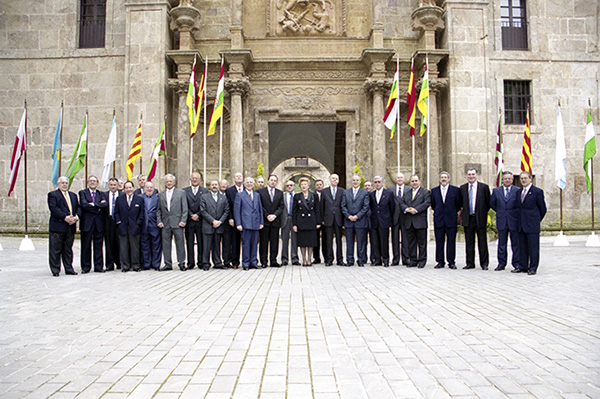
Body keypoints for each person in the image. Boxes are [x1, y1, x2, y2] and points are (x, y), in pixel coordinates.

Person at [514, 171, 547, 275]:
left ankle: (533, 267)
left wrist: (536, 220)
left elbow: (543, 209)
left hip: (532, 225)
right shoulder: (518, 192)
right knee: (522, 247)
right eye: (521, 178)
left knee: (533, 248)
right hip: (521, 225)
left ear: (530, 179)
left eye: (525, 178)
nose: (523, 180)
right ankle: (523, 266)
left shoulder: (537, 192)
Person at [47, 176, 80, 276]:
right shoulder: (53, 195)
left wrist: (76, 217)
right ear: (58, 184)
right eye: (63, 183)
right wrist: (65, 217)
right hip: (58, 226)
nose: (65, 185)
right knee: (55, 250)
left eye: (66, 183)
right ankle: (55, 270)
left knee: (68, 249)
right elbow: (54, 208)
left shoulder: (73, 195)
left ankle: (69, 268)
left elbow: (78, 208)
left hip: (70, 227)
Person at [459, 168, 491, 270]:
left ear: (476, 175)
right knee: (469, 242)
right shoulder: (463, 188)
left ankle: (484, 263)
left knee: (482, 242)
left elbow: (488, 203)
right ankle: (470, 263)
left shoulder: (484, 187)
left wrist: (482, 213)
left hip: (480, 218)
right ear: (466, 176)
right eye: (469, 174)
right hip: (468, 218)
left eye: (473, 174)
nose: (471, 176)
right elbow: (460, 203)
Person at [490, 171, 520, 271]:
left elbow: (519, 205)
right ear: (502, 180)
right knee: (502, 244)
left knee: (515, 244)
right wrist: (501, 212)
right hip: (502, 220)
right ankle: (501, 263)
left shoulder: (517, 190)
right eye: (505, 178)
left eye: (509, 179)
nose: (507, 180)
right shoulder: (496, 191)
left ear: (512, 180)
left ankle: (516, 263)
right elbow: (493, 204)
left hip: (514, 220)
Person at [430, 171, 461, 269]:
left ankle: (451, 261)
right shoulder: (434, 191)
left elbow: (458, 204)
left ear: (449, 179)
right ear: (439, 179)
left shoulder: (455, 190)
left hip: (451, 219)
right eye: (442, 177)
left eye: (445, 177)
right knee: (439, 241)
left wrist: (451, 212)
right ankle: (440, 261)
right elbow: (433, 205)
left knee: (451, 241)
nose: (443, 179)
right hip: (439, 219)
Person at [157, 174, 188, 271]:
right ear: (165, 183)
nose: (169, 183)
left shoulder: (181, 193)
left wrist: (183, 220)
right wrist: (159, 221)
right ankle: (167, 263)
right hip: (165, 223)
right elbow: (158, 210)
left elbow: (185, 208)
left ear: (174, 182)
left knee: (180, 243)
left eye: (170, 181)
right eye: (167, 181)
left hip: (178, 222)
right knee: (166, 244)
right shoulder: (161, 194)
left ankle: (181, 263)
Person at [399, 174, 431, 268]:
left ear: (419, 181)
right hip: (409, 221)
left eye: (416, 181)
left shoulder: (425, 192)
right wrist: (407, 209)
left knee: (422, 243)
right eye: (412, 181)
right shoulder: (407, 192)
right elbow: (401, 202)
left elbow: (427, 203)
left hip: (420, 221)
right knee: (411, 243)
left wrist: (416, 210)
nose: (414, 183)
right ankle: (413, 260)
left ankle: (422, 261)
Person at [78, 175, 108, 273]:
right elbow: (84, 205)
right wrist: (98, 207)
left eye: (94, 181)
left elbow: (105, 205)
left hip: (99, 224)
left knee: (98, 245)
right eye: (90, 181)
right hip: (87, 223)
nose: (92, 182)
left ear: (97, 183)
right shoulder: (82, 193)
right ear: (88, 182)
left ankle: (99, 266)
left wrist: (94, 205)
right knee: (86, 246)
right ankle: (86, 267)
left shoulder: (101, 194)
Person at [113, 181, 144, 272]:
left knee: (135, 247)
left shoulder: (139, 199)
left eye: (130, 187)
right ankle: (125, 266)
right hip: (123, 227)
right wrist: (119, 222)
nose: (129, 189)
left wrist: (138, 223)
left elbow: (141, 213)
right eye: (126, 188)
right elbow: (116, 212)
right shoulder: (119, 199)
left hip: (135, 227)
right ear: (124, 189)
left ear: (133, 188)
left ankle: (135, 265)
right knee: (123, 247)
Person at [234, 177, 264, 270]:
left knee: (254, 244)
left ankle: (253, 262)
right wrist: (238, 223)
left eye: (251, 182)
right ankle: (246, 263)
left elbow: (260, 210)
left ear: (253, 183)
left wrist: (261, 222)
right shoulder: (240, 195)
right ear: (244, 183)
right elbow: (237, 210)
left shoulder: (256, 195)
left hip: (255, 223)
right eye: (247, 182)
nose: (249, 184)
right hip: (245, 224)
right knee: (246, 244)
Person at [199, 180, 230, 271]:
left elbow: (226, 211)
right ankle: (205, 263)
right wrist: (213, 221)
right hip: (208, 225)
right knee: (206, 246)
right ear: (210, 186)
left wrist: (220, 221)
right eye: (212, 185)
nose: (214, 186)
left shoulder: (223, 198)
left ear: (218, 186)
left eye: (216, 185)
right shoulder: (204, 197)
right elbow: (203, 211)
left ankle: (217, 262)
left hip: (219, 225)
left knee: (217, 245)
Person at [341, 174, 370, 266]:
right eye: (353, 180)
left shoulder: (364, 193)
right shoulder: (346, 192)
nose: (355, 182)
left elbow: (366, 207)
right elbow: (343, 206)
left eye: (357, 180)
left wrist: (357, 216)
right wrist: (348, 216)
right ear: (351, 181)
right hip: (349, 221)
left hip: (360, 221)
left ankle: (361, 260)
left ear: (360, 181)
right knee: (349, 242)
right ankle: (350, 260)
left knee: (361, 242)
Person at [293, 177, 321, 266]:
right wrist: (294, 224)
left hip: (311, 221)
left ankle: (309, 259)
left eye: (305, 184)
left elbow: (317, 209)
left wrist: (318, 222)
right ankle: (304, 259)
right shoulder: (297, 196)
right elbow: (294, 211)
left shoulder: (314, 195)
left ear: (308, 185)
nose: (303, 186)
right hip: (301, 221)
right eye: (301, 185)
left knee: (310, 242)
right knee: (302, 242)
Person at [257, 174, 284, 267]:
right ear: (268, 181)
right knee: (263, 242)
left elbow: (281, 207)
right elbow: (260, 205)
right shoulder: (260, 192)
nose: (273, 182)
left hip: (275, 221)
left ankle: (273, 260)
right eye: (271, 180)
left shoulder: (280, 193)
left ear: (276, 182)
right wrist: (267, 215)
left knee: (274, 242)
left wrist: (274, 215)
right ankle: (264, 261)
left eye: (275, 180)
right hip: (265, 221)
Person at [183, 172, 209, 270]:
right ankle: (190, 262)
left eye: (196, 178)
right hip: (189, 221)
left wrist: (198, 214)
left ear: (200, 180)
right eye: (193, 178)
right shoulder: (184, 191)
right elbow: (184, 205)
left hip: (200, 220)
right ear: (190, 179)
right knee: (189, 242)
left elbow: (205, 205)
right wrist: (191, 215)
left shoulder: (205, 191)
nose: (194, 180)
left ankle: (201, 262)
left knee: (201, 242)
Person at [369, 176, 395, 267]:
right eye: (375, 182)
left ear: (382, 183)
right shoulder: (371, 194)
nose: (377, 184)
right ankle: (377, 260)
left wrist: (389, 219)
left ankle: (386, 259)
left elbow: (392, 208)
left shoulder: (388, 193)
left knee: (384, 242)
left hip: (384, 221)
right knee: (375, 242)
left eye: (379, 182)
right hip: (374, 221)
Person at [320, 173, 344, 266]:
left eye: (336, 179)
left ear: (338, 180)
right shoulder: (324, 191)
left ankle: (340, 259)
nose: (334, 180)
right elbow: (321, 206)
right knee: (328, 240)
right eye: (333, 178)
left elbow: (343, 205)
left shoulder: (342, 191)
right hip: (328, 219)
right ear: (330, 180)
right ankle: (329, 259)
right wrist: (322, 219)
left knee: (339, 240)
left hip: (338, 219)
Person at [140, 181, 162, 271]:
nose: (149, 189)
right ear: (144, 188)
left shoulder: (158, 198)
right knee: (145, 246)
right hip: (143, 225)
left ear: (153, 189)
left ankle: (156, 264)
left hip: (154, 225)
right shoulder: (139, 198)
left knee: (156, 246)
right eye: (147, 187)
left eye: (151, 187)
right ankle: (146, 264)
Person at [389, 173, 409, 266]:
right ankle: (396, 258)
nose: (400, 179)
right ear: (395, 179)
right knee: (395, 239)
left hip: (406, 217)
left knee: (405, 239)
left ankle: (406, 258)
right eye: (398, 178)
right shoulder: (390, 190)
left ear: (404, 179)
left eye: (401, 177)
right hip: (394, 217)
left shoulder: (409, 189)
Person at [226, 172, 244, 268]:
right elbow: (228, 205)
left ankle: (246, 260)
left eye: (240, 176)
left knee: (246, 241)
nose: (239, 178)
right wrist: (230, 218)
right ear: (234, 178)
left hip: (245, 220)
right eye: (237, 176)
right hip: (234, 220)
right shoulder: (229, 191)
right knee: (235, 242)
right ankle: (235, 262)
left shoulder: (247, 189)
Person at [104, 177, 123, 271]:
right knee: (109, 242)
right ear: (108, 185)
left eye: (114, 185)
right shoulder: (104, 195)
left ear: (117, 185)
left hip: (119, 222)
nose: (113, 186)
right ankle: (109, 264)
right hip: (108, 221)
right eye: (111, 185)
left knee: (119, 242)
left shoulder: (122, 195)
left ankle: (120, 262)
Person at [281, 180, 300, 266]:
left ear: (294, 186)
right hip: (285, 219)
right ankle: (284, 259)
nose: (289, 187)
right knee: (284, 240)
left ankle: (294, 258)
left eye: (291, 185)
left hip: (295, 220)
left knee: (295, 240)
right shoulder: (283, 196)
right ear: (285, 187)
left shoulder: (298, 196)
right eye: (287, 185)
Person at [219, 179, 233, 268]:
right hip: (217, 222)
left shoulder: (229, 195)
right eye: (222, 184)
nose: (224, 186)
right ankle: (217, 261)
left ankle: (227, 261)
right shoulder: (214, 195)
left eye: (226, 184)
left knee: (227, 243)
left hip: (227, 222)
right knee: (216, 244)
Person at [312, 178, 326, 264]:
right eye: (317, 185)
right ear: (315, 186)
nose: (319, 186)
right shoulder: (312, 195)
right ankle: (316, 258)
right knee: (315, 241)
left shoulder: (326, 194)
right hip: (315, 222)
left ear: (323, 185)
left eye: (320, 184)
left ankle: (326, 257)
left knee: (325, 241)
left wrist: (324, 220)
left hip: (325, 221)